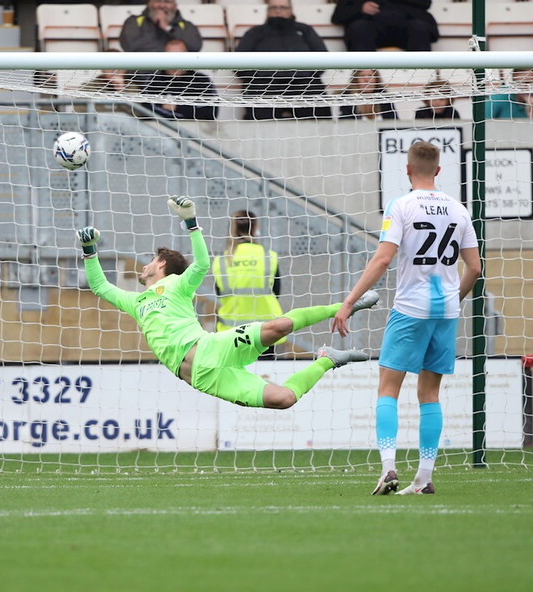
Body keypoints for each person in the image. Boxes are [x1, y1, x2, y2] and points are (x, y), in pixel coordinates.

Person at [77, 196, 378, 410]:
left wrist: (191, 223)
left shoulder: (178, 285)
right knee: (284, 399)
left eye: (151, 260)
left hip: (211, 347)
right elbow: (100, 287)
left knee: (280, 327)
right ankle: (327, 359)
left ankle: (346, 306)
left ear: (162, 265)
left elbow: (201, 264)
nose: (145, 265)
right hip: (203, 377)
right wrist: (89, 251)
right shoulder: (136, 301)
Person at [332, 141, 481, 496]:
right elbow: (475, 268)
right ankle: (424, 477)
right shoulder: (459, 210)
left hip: (411, 308)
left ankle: (388, 467)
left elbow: (383, 259)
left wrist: (349, 302)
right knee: (430, 394)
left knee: (388, 388)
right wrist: (453, 299)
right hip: (445, 312)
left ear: (408, 170)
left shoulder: (401, 205)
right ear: (439, 170)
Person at [235, 0, 331, 121]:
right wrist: (260, 76)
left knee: (318, 110)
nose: (278, 11)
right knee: (260, 115)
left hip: (303, 83)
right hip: (265, 84)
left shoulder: (305, 30)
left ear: (291, 10)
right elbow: (238, 64)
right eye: (274, 7)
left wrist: (304, 74)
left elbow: (323, 58)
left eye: (283, 7)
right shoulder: (254, 33)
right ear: (267, 11)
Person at [211, 210, 283, 360]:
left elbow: (219, 293)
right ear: (255, 229)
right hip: (265, 330)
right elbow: (276, 292)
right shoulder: (268, 256)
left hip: (231, 331)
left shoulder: (222, 260)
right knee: (264, 372)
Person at [137, 39, 218, 121]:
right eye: (170, 58)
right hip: (159, 128)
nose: (174, 62)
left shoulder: (202, 81)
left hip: (196, 128)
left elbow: (211, 112)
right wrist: (189, 111)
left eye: (179, 58)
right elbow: (147, 112)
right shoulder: (153, 81)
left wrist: (176, 108)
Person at [332, 0, 438, 52]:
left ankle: (421, 76)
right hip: (370, 27)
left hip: (407, 26)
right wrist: (361, 8)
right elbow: (338, 15)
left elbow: (425, 3)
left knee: (420, 27)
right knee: (358, 28)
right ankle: (364, 77)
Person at [119, 0, 202, 53]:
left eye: (167, 2)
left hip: (174, 73)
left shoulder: (185, 25)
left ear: (175, 6)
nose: (162, 6)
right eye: (157, 1)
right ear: (149, 3)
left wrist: (167, 28)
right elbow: (129, 46)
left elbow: (195, 47)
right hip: (141, 73)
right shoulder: (134, 21)